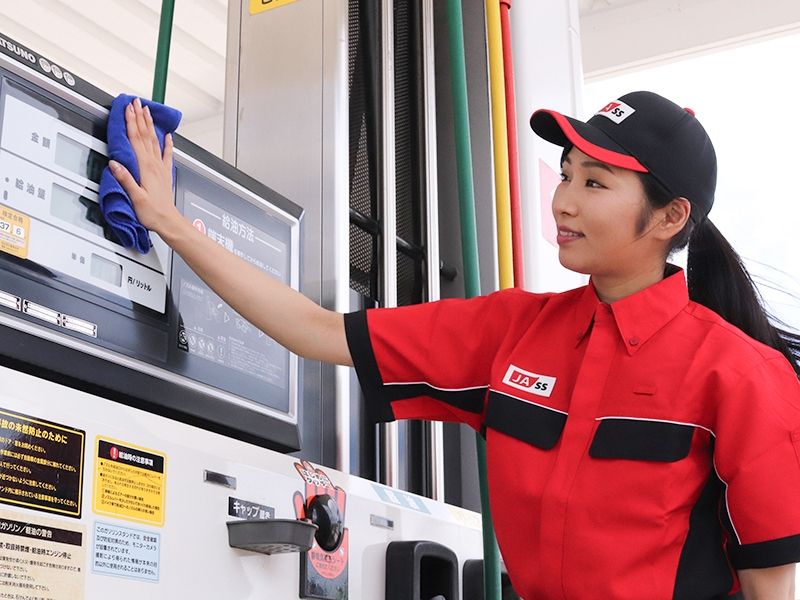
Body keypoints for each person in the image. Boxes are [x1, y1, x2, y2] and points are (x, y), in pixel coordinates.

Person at [111, 92, 800, 599]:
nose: (563, 201)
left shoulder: (743, 376)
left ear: (671, 216)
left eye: (595, 183)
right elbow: (315, 330)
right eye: (566, 173)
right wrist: (170, 223)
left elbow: (770, 583)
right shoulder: (513, 332)